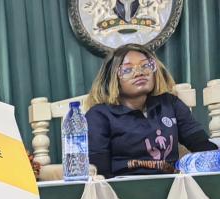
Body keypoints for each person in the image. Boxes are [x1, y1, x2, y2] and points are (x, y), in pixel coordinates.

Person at [86, 44, 217, 178]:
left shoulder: (170, 104)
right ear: (112, 78)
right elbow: (99, 174)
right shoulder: (99, 115)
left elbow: (203, 146)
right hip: (122, 190)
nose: (139, 73)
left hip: (174, 187)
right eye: (127, 69)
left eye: (146, 65)